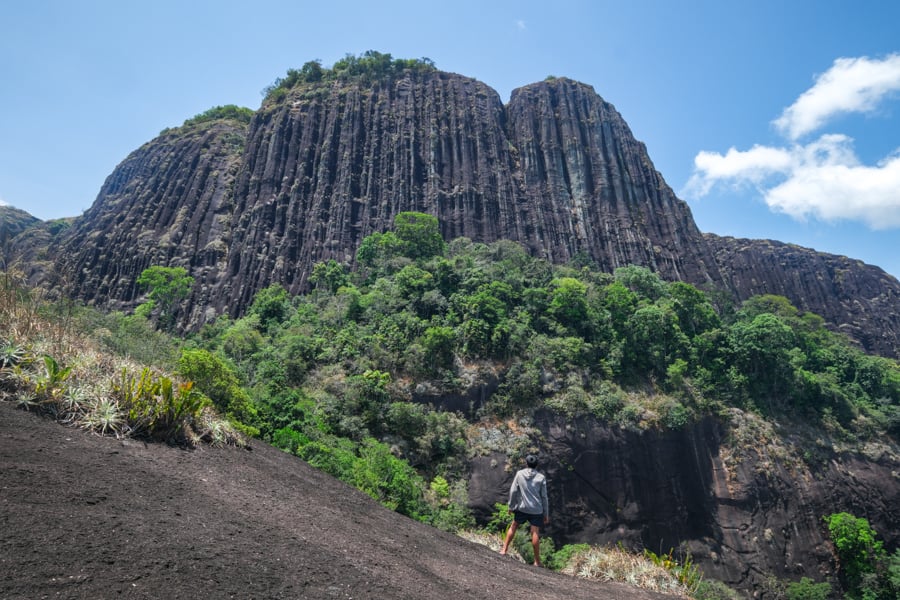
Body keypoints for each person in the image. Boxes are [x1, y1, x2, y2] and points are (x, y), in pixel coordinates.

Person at [499, 454, 549, 566]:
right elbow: (544, 497)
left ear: (526, 463)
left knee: (514, 526)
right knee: (535, 532)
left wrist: (511, 507)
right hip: (536, 509)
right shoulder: (541, 477)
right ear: (536, 465)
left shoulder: (519, 474)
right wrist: (546, 514)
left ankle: (504, 550)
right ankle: (537, 561)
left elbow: (513, 491)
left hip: (522, 507)